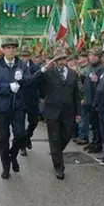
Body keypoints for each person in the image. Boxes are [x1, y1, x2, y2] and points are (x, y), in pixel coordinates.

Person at [31, 48, 81, 180]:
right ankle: (59, 167)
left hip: (68, 112)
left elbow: (76, 94)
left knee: (66, 136)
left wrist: (78, 113)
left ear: (66, 59)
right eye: (58, 59)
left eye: (63, 58)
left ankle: (57, 152)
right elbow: (33, 81)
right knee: (54, 139)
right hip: (52, 111)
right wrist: (44, 68)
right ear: (55, 60)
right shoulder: (48, 73)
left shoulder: (73, 74)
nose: (61, 61)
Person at [0, 40, 32, 179]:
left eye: (13, 48)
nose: (11, 50)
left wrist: (22, 80)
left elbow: (29, 81)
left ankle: (13, 156)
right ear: (3, 50)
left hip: (18, 107)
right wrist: (8, 87)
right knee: (3, 139)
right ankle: (6, 166)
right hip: (2, 108)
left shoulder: (22, 65)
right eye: (8, 48)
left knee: (20, 135)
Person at [18, 48, 41, 156]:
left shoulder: (35, 68)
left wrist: (42, 96)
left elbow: (39, 82)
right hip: (21, 99)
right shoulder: (17, 68)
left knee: (34, 121)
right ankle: (22, 146)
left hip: (32, 99)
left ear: (29, 56)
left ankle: (27, 136)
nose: (24, 58)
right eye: (22, 56)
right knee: (20, 124)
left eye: (26, 56)